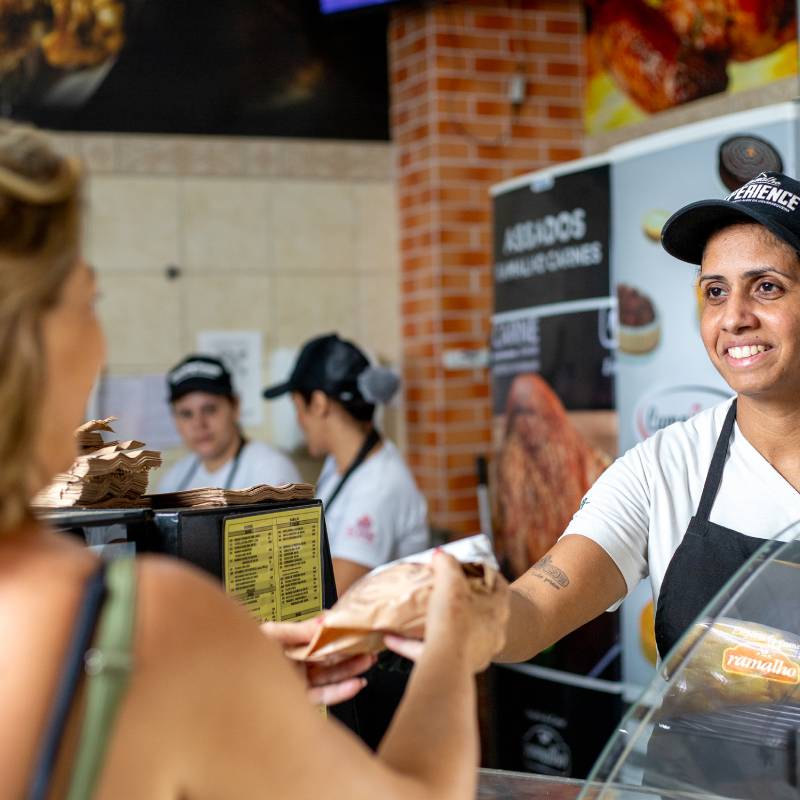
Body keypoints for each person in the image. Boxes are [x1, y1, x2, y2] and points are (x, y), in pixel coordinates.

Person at [0, 123, 509, 799]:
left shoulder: (314, 481)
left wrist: (233, 675)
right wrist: (454, 646)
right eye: (88, 300)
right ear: (28, 335)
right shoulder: (140, 625)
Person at [496, 170, 800, 670]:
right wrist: (451, 612)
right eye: (715, 292)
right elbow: (532, 612)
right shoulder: (662, 468)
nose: (733, 318)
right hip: (699, 752)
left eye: (766, 287)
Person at [263, 334, 428, 596]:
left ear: (318, 403)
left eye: (298, 407)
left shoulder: (379, 483)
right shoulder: (338, 466)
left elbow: (334, 590)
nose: (298, 421)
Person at [158, 353, 301, 492]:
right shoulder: (173, 479)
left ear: (235, 407)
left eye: (209, 409)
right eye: (186, 414)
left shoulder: (271, 470)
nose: (199, 424)